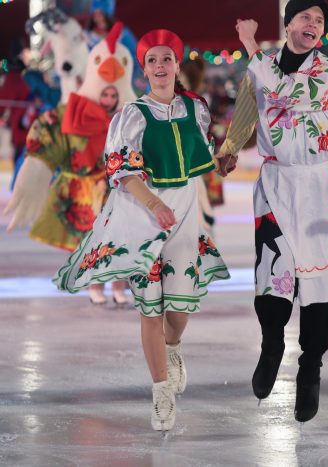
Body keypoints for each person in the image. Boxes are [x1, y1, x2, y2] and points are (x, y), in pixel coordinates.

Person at [53, 29, 229, 432]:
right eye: (152, 60)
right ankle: (161, 392)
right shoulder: (132, 114)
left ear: (176, 65)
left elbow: (204, 158)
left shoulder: (195, 109)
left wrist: (224, 160)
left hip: (184, 217)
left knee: (180, 308)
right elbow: (121, 171)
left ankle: (173, 347)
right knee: (150, 309)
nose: (160, 66)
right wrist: (154, 203)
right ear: (144, 69)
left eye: (166, 59)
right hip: (143, 218)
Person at [215, 0, 328, 423]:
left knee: (319, 283)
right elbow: (251, 106)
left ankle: (311, 368)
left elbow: (285, 93)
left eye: (320, 20)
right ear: (288, 25)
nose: (314, 25)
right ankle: (271, 347)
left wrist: (249, 43)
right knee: (273, 273)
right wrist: (230, 147)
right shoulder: (261, 66)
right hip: (275, 183)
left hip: (320, 186)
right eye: (306, 17)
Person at [6, 24, 135, 305]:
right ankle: (95, 285)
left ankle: (118, 286)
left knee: (121, 240)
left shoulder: (135, 116)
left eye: (114, 95)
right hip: (86, 191)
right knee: (92, 242)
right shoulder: (72, 113)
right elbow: (48, 136)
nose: (109, 99)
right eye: (106, 94)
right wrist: (37, 163)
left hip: (120, 190)